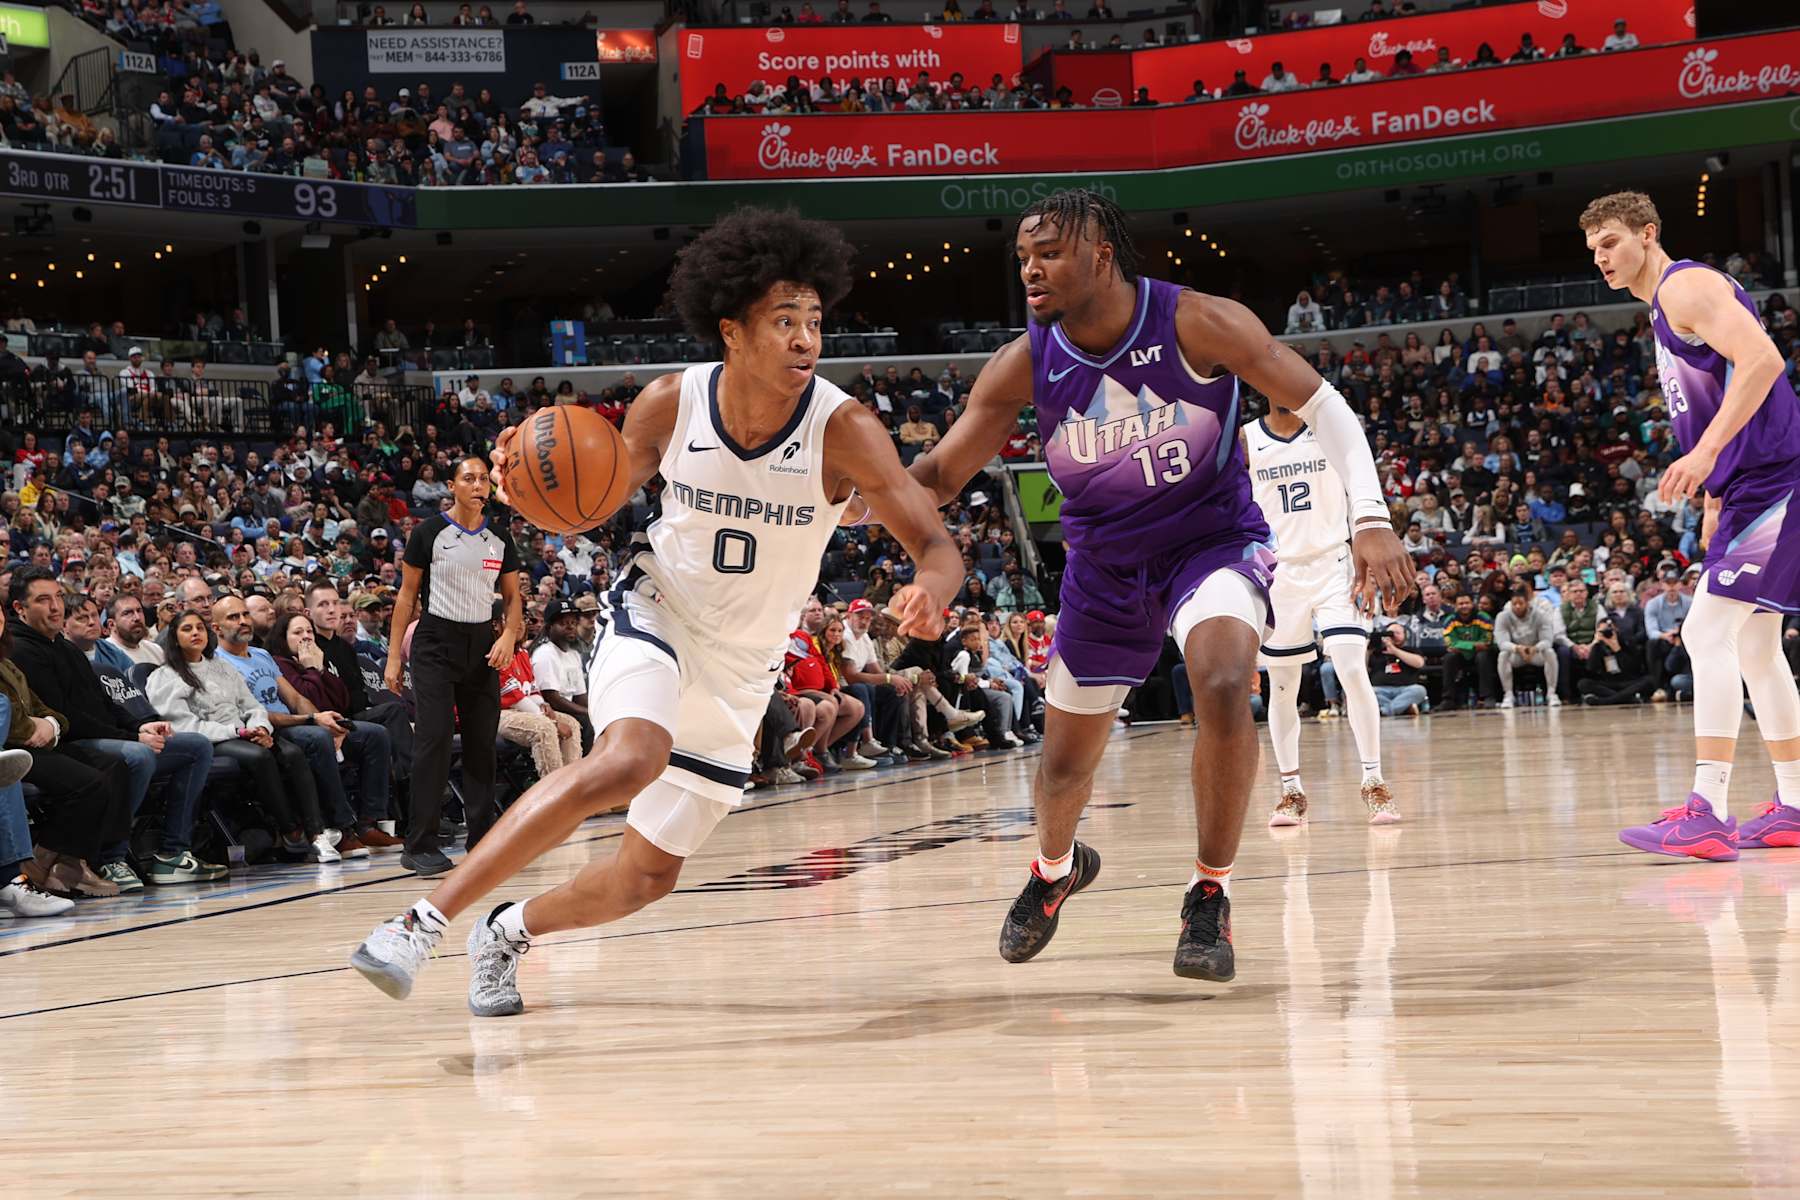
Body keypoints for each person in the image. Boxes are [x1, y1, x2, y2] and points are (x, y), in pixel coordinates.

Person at [351, 207, 961, 1017]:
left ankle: (506, 929)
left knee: (646, 878)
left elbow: (939, 545)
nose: (807, 339)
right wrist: (522, 486)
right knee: (628, 758)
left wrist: (931, 589)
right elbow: (585, 506)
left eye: (815, 321)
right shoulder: (673, 404)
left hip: (744, 668)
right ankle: (417, 923)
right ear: (732, 331)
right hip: (657, 610)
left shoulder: (844, 429)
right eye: (785, 321)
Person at [895, 189, 1412, 982]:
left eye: (1050, 254)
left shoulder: (1195, 321)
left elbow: (1324, 404)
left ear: (1101, 255)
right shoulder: (1028, 358)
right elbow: (938, 473)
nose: (1032, 270)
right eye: (1024, 258)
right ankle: (1054, 869)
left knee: (1224, 678)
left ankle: (1210, 893)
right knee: (1064, 765)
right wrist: (861, 495)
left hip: (1212, 545)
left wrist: (1370, 517)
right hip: (1102, 570)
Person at [1585, 191, 1800, 859]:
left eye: (1612, 243)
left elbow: (1764, 360)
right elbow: (1725, 392)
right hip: (1750, 484)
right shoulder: (1662, 309)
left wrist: (1706, 455)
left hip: (1775, 479)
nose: (1602, 259)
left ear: (1649, 233)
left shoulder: (1686, 287)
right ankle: (1794, 807)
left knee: (1707, 632)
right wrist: (1713, 491)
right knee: (1758, 651)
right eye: (1594, 251)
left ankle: (1707, 809)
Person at [1245, 402, 1399, 828]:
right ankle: (1290, 790)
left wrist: (1365, 559)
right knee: (1282, 685)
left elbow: (1360, 494)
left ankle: (1374, 780)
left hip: (1335, 563)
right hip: (1279, 570)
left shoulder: (1332, 429)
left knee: (1351, 668)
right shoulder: (1246, 439)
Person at [19, 586, 226, 886]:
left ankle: (173, 854)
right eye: (43, 600)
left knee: (196, 747)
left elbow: (106, 703)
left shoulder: (68, 650)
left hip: (104, 735)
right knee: (137, 756)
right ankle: (110, 857)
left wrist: (140, 727)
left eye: (58, 598)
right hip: (67, 742)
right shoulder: (24, 652)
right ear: (20, 608)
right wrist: (131, 738)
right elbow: (68, 719)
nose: (54, 607)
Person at [381, 455, 523, 877]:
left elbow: (513, 599)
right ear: (452, 486)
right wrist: (393, 657)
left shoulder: (500, 537)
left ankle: (482, 840)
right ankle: (418, 843)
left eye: (483, 478)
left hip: (482, 643)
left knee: (482, 743)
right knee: (434, 738)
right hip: (434, 643)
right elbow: (407, 597)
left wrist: (508, 636)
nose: (478, 485)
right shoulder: (429, 533)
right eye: (469, 478)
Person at [148, 611, 338, 862]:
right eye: (187, 629)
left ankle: (316, 834)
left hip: (245, 732)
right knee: (260, 756)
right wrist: (236, 731)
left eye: (200, 628)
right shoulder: (164, 676)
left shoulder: (222, 667)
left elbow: (252, 706)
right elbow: (184, 725)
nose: (195, 633)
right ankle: (291, 830)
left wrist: (261, 728)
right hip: (211, 740)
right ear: (173, 637)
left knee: (292, 752)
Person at [216, 597, 399, 856]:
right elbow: (253, 713)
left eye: (245, 614)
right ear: (216, 628)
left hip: (297, 722)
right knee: (316, 737)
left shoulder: (261, 654)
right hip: (267, 730)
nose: (243, 621)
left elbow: (295, 698)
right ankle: (342, 828)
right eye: (233, 617)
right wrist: (313, 722)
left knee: (374, 735)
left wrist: (324, 720)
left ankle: (369, 824)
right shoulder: (219, 663)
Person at [494, 599, 583, 779]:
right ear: (496, 625)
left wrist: (544, 706)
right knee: (544, 728)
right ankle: (553, 793)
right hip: (497, 714)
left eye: (522, 619)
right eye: (511, 619)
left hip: (525, 711)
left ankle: (572, 785)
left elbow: (532, 690)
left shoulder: (522, 653)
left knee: (572, 723)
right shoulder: (495, 651)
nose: (518, 624)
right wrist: (550, 720)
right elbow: (515, 697)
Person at [1493, 583, 1560, 708]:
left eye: (1521, 603)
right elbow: (1502, 642)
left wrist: (1535, 648)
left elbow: (1547, 640)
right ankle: (1508, 695)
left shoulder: (1540, 615)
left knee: (1550, 652)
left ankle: (1552, 693)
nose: (1517, 606)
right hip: (1516, 654)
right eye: (1514, 604)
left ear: (1527, 603)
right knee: (1503, 655)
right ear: (1510, 604)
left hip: (1536, 652)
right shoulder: (1502, 617)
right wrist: (1517, 648)